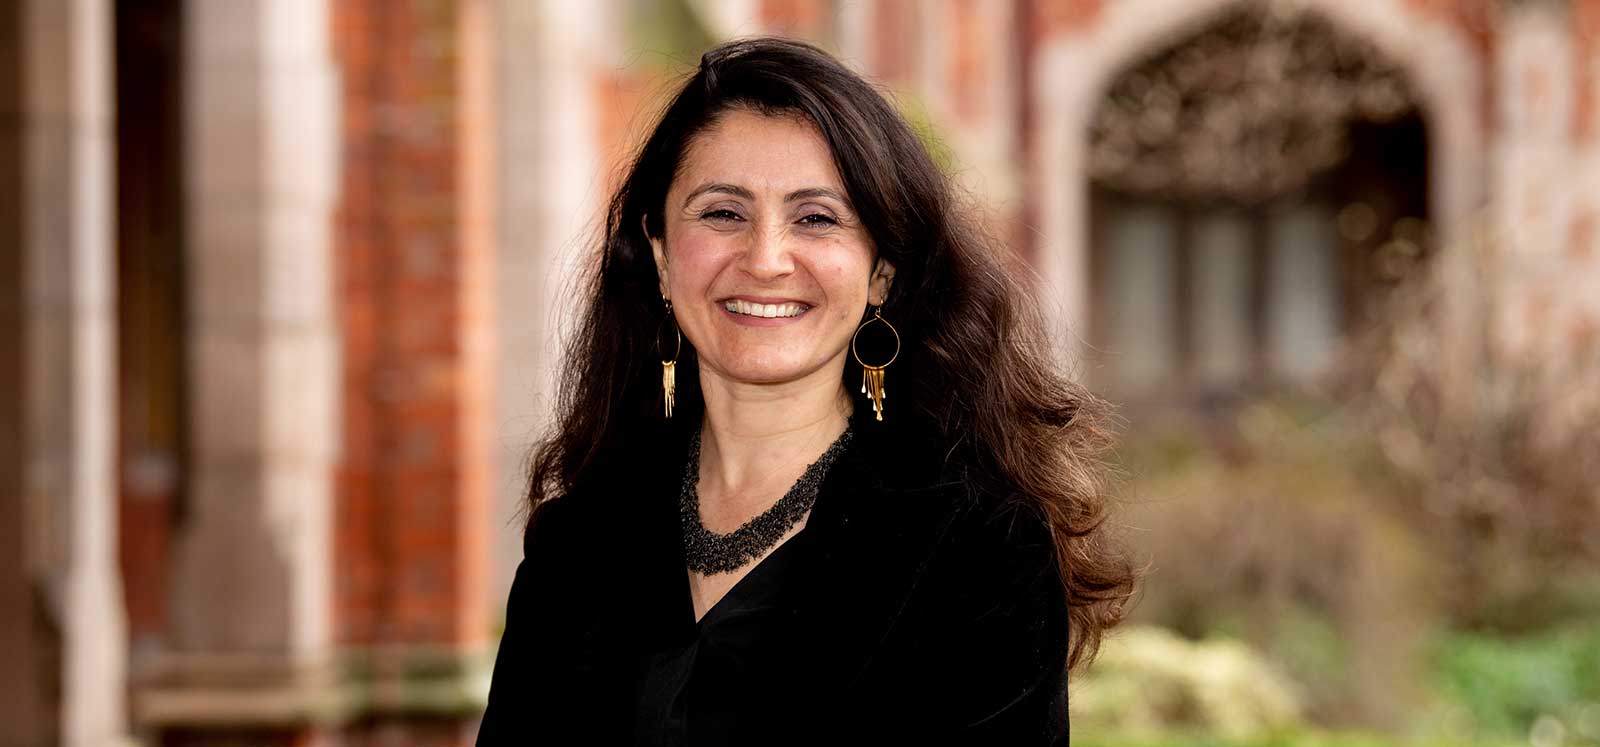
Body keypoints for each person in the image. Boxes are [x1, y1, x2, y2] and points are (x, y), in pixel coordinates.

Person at [477, 36, 1135, 745]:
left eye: (816, 218)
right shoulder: (580, 540)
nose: (765, 259)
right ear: (661, 255)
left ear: (881, 270)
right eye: (722, 212)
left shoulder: (977, 543)